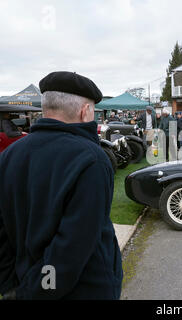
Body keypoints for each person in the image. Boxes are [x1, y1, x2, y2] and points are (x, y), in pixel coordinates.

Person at [0, 71, 122, 300]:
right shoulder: (91, 159)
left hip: (26, 283)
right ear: (85, 111)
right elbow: (72, 249)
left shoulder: (9, 155)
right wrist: (33, 291)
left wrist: (10, 287)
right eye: (93, 111)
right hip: (83, 290)